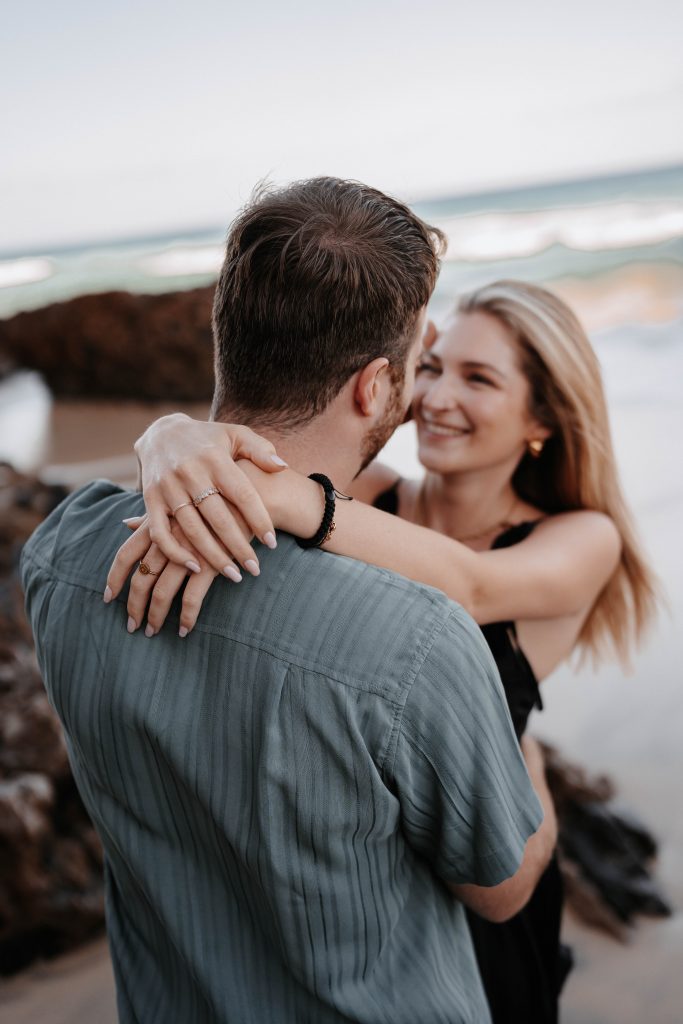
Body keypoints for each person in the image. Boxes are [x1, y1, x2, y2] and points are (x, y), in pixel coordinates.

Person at [21, 179, 557, 1024]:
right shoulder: (414, 639)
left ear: (227, 333)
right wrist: (529, 766)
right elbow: (500, 888)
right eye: (421, 363)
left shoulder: (59, 554)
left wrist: (166, 433)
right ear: (375, 387)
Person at [110, 280, 658, 1023]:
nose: (434, 396)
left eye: (478, 378)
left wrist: (296, 500)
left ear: (542, 417)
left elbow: (468, 587)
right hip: (346, 869)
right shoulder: (368, 494)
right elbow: (215, 461)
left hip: (482, 871)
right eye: (429, 366)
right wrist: (168, 436)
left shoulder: (579, 536)